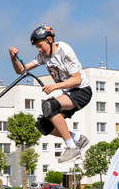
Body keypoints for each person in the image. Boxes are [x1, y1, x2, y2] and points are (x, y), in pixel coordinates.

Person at [9, 25, 92, 163]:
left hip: (81, 91)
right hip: (68, 93)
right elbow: (21, 70)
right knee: (43, 125)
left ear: (49, 40)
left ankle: (72, 148)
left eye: (40, 45)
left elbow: (76, 80)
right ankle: (77, 139)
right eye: (37, 47)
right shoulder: (43, 56)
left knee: (50, 106)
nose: (39, 50)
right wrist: (13, 58)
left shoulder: (65, 50)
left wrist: (54, 87)